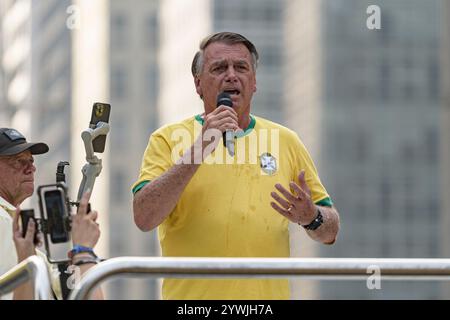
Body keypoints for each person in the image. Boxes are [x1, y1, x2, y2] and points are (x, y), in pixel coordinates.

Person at [132, 32, 340, 300]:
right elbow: (144, 217)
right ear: (198, 84)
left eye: (241, 67)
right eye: (219, 68)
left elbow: (330, 231)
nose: (231, 75)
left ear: (253, 82)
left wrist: (312, 216)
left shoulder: (286, 140)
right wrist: (202, 147)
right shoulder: (167, 139)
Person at [0, 128, 103, 300]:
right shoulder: (3, 222)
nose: (31, 168)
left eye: (31, 161)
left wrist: (79, 259)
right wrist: (84, 251)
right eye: (18, 161)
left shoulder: (18, 229)